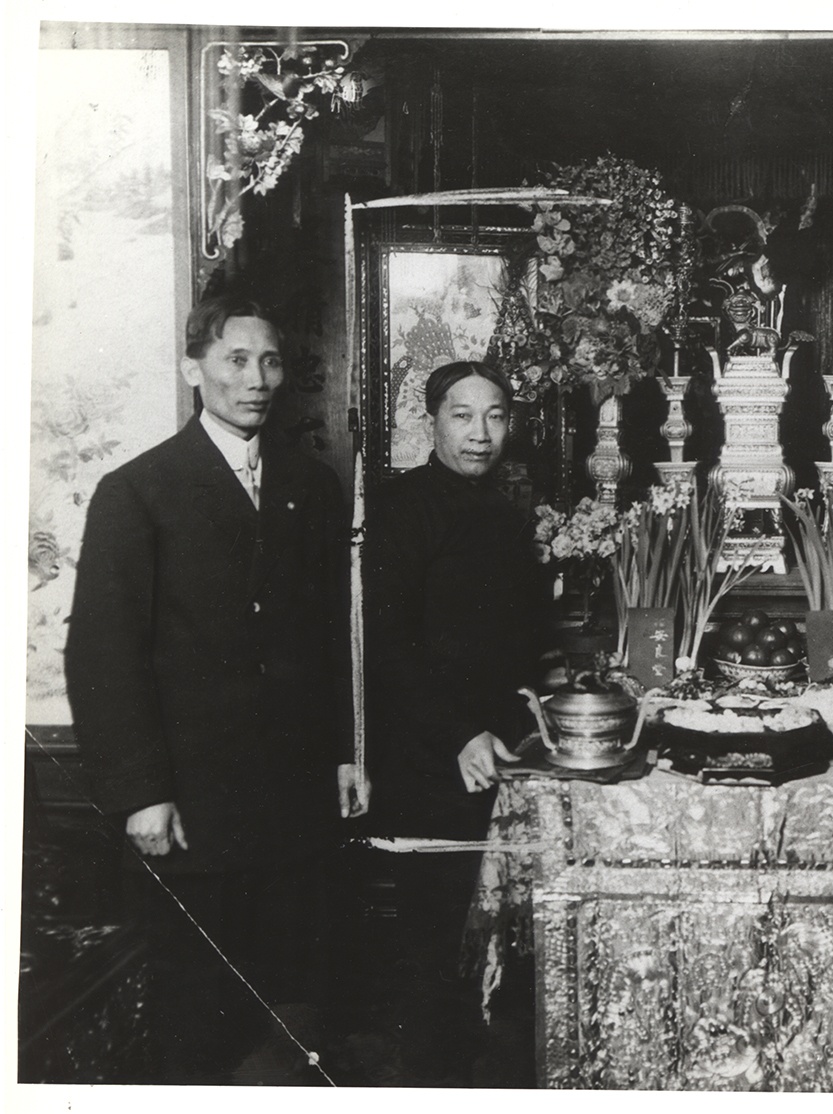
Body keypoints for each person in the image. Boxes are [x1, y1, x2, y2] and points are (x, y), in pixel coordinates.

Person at [65, 294, 369, 1084]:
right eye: (236, 360)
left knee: (293, 1012)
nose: (256, 379)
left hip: (294, 804)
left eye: (269, 361)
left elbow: (333, 634)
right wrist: (140, 793)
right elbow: (102, 656)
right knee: (199, 1021)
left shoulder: (310, 484)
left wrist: (344, 753)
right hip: (193, 809)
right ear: (192, 368)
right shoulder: (138, 492)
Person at [366, 360, 546, 1086]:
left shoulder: (505, 510)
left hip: (498, 750)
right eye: (462, 415)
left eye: (495, 415)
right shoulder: (398, 507)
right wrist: (457, 735)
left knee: (494, 939)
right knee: (437, 944)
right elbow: (387, 642)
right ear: (431, 421)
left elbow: (514, 639)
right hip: (429, 756)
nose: (480, 432)